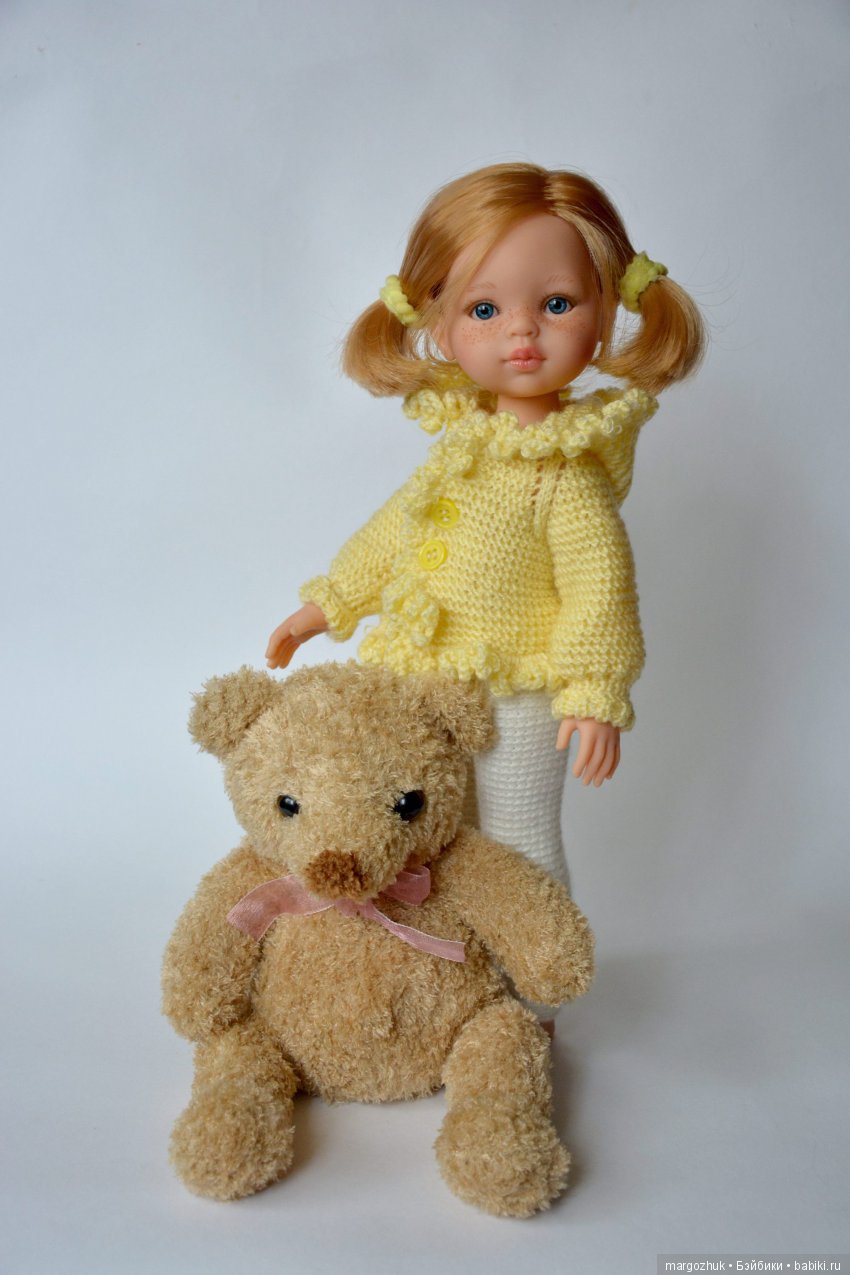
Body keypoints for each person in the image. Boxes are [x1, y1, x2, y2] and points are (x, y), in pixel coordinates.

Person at [266, 162, 704, 893]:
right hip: (422, 676)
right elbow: (398, 531)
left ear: (604, 314)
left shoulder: (566, 475)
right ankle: (449, 952)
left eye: (557, 303)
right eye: (483, 309)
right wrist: (331, 602)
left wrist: (594, 692)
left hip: (519, 690)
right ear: (440, 327)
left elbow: (599, 589)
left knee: (518, 833)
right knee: (429, 829)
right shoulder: (460, 449)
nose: (522, 329)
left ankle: (537, 958)